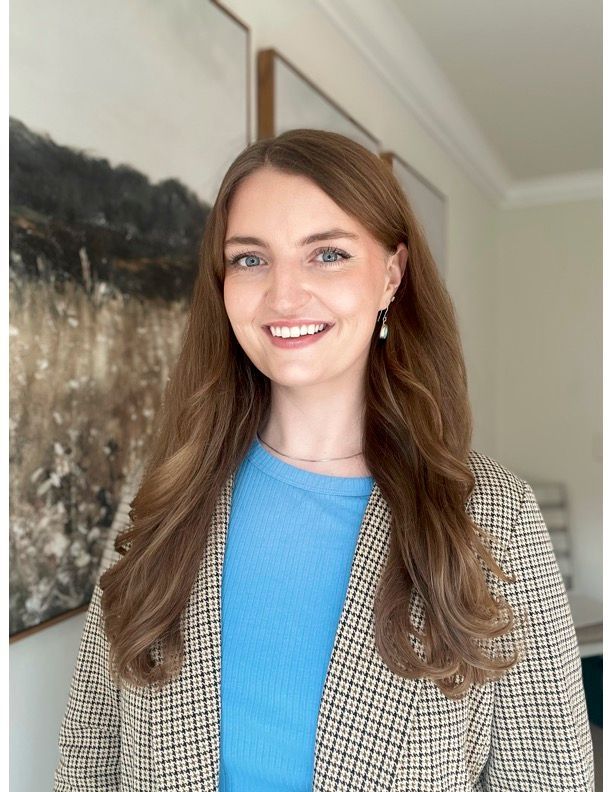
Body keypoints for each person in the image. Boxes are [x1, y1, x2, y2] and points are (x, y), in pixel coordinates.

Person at [54, 128, 594, 791]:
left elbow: (549, 779)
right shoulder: (163, 496)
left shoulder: (493, 515)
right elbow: (89, 763)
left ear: (391, 276)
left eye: (327, 255)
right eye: (251, 260)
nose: (284, 296)